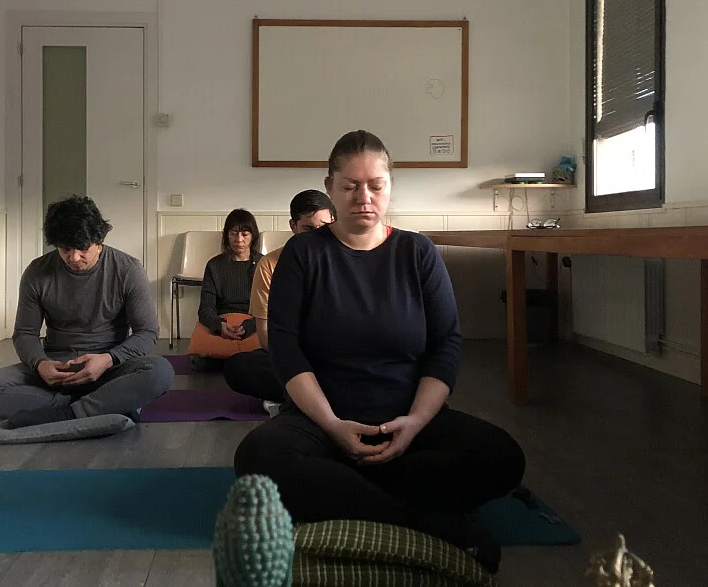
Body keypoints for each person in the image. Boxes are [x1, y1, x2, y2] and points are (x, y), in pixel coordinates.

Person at [233, 131, 526, 573]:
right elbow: (285, 347)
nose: (363, 198)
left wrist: (416, 422)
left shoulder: (417, 252)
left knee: (503, 457)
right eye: (350, 186)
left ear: (390, 186)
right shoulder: (303, 253)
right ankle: (424, 523)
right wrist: (332, 425)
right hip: (323, 422)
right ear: (330, 187)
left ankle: (351, 491)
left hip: (406, 419)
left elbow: (446, 343)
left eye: (376, 185)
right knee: (256, 459)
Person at [0, 196, 174, 428]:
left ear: (99, 241)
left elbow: (147, 332)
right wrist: (40, 363)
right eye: (65, 249)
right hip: (57, 369)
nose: (74, 257)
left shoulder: (128, 269)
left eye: (83, 248)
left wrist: (108, 359)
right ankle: (97, 406)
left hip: (109, 368)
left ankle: (68, 412)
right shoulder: (37, 272)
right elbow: (25, 333)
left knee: (160, 371)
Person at [222, 190, 335, 405]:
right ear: (293, 226)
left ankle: (302, 397)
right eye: (308, 229)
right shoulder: (269, 265)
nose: (317, 236)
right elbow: (265, 335)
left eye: (324, 227)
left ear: (333, 222)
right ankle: (316, 394)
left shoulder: (344, 259)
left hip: (337, 356)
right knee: (239, 367)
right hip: (293, 357)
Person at [189, 209, 263, 371]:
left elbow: (270, 308)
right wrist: (219, 326)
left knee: (270, 345)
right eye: (233, 234)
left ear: (253, 236)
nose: (239, 239)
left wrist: (250, 326)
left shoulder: (263, 264)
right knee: (200, 361)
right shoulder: (214, 265)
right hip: (223, 324)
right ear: (226, 236)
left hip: (254, 324)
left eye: (245, 234)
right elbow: (205, 308)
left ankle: (231, 360)